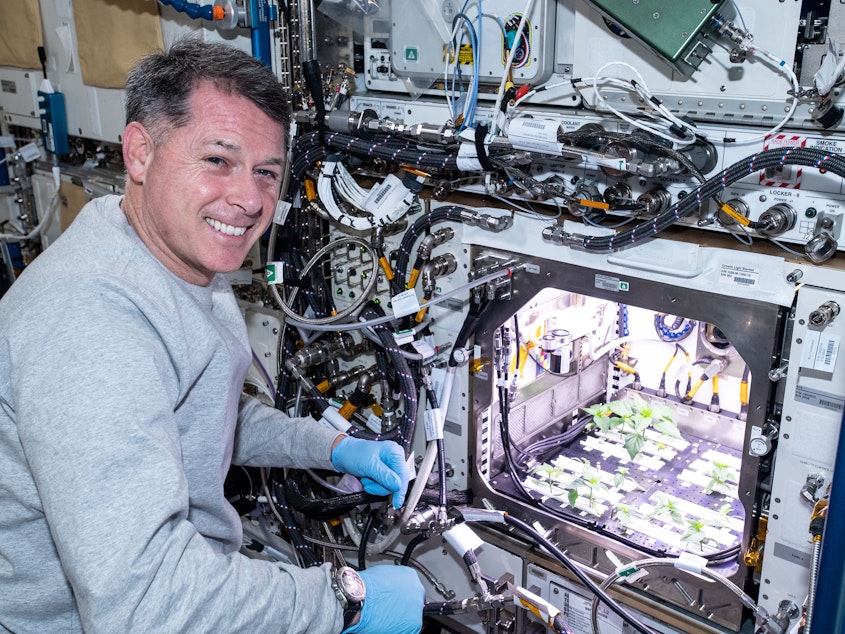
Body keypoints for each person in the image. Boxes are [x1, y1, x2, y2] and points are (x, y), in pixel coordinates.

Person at [0, 37, 425, 634]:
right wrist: (347, 599)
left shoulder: (179, 264)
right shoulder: (89, 323)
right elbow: (144, 606)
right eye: (218, 161)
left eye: (266, 172)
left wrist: (326, 447)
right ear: (140, 153)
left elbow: (199, 412)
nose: (249, 199)